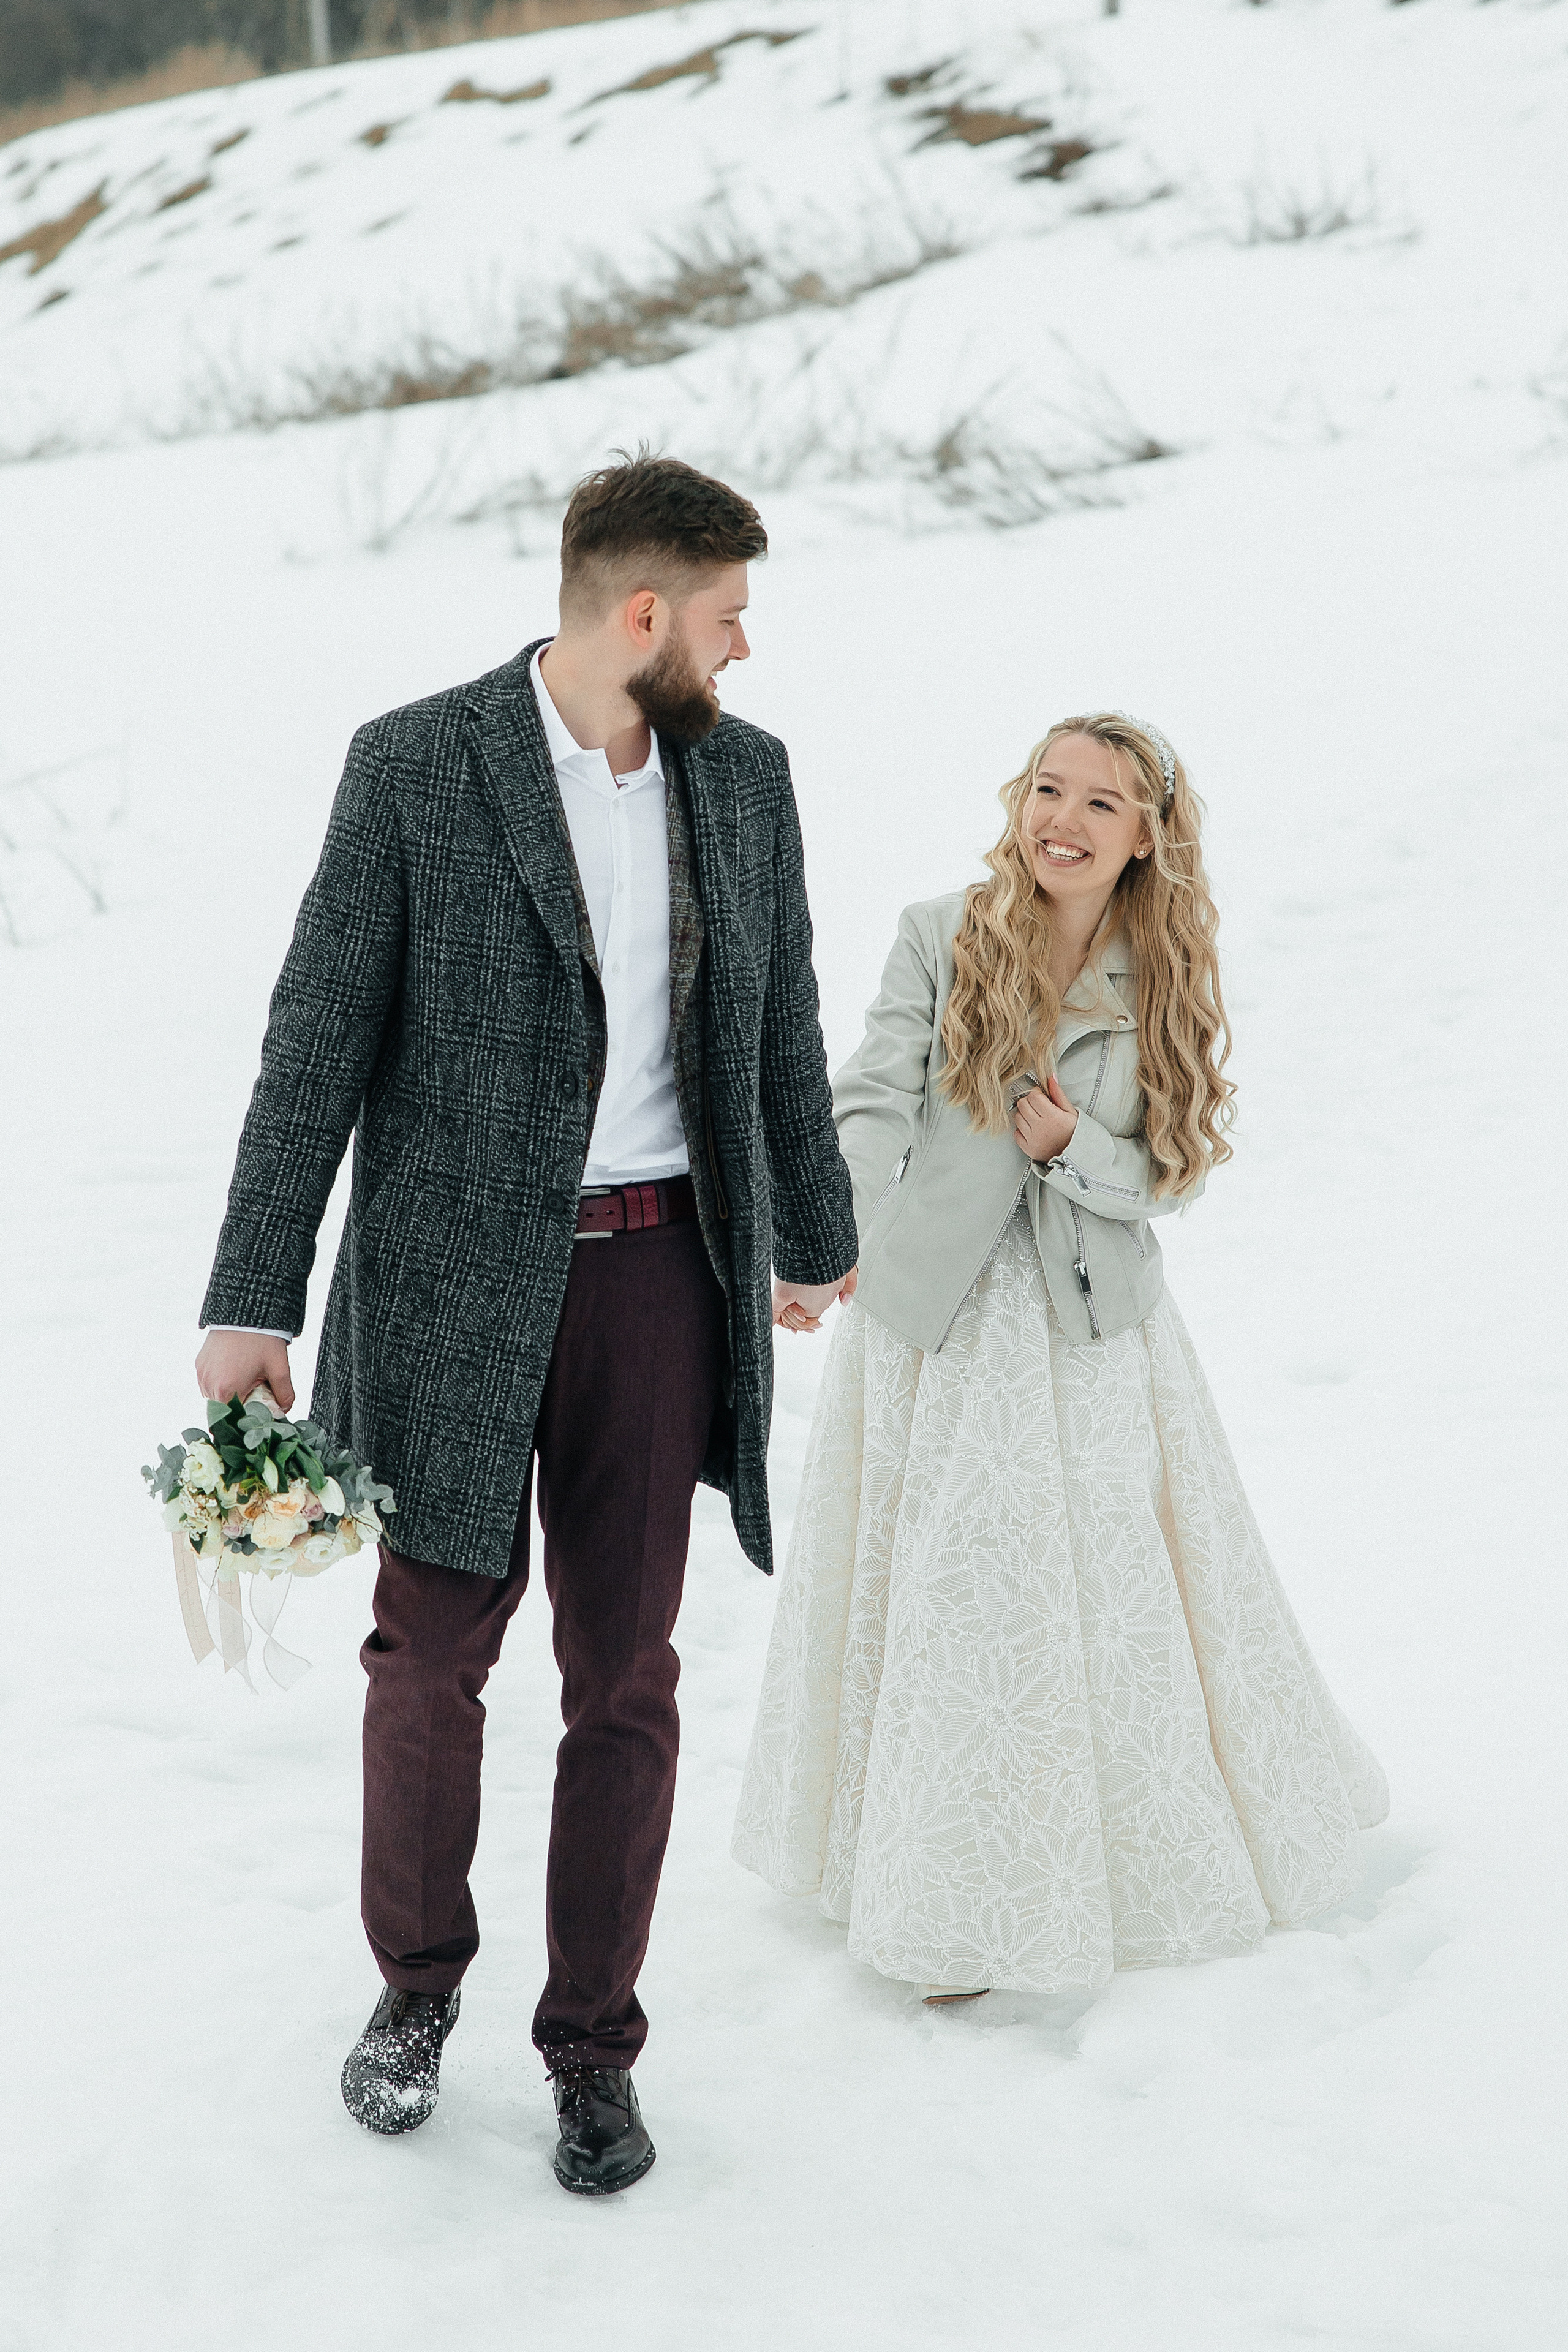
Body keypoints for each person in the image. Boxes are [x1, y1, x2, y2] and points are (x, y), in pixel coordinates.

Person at [196, 453, 858, 2193]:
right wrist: (252, 1292)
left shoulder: (748, 782)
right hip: (444, 1285)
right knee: (431, 1660)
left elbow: (780, 1012)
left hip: (662, 1280)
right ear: (643, 616)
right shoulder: (416, 766)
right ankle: (414, 1994)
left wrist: (816, 1229)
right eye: (726, 619)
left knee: (625, 1678)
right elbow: (316, 1036)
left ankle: (593, 2048)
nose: (741, 652)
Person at [733, 712, 1387, 2005]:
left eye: (1101, 803)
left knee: (1092, 1590)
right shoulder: (942, 929)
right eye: (1048, 790)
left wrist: (1064, 1149)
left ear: (1146, 834)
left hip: (1092, 1329)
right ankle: (941, 1882)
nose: (1064, 822)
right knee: (956, 1586)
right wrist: (825, 1241)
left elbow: (1172, 1168)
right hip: (943, 1317)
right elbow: (869, 1094)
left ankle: (1084, 1864)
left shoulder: (1166, 968)